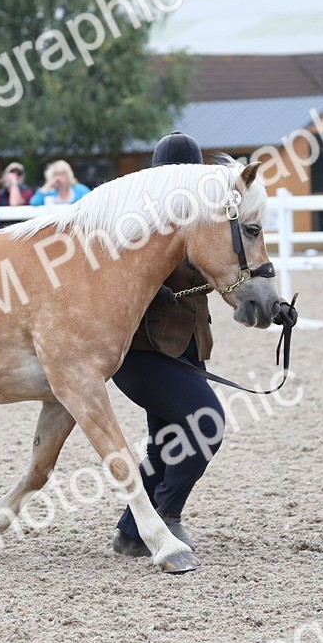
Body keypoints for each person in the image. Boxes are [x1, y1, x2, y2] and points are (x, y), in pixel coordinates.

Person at [109, 131, 222, 558]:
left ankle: (131, 532)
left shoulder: (206, 219)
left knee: (167, 442)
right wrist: (147, 285)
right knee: (207, 424)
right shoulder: (134, 222)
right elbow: (108, 273)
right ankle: (168, 515)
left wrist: (273, 305)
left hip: (189, 346)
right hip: (142, 351)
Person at [0, 162, 33, 230]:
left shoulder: (26, 191)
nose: (15, 176)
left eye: (19, 174)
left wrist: (14, 182)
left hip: (21, 231)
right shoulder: (2, 193)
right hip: (4, 231)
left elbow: (14, 203)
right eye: (12, 172)